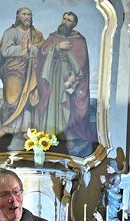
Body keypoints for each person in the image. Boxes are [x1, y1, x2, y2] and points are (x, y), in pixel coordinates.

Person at [36, 11, 94, 156]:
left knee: (66, 104)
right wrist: (57, 46)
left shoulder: (79, 40)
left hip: (67, 76)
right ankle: (50, 134)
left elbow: (82, 61)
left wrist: (73, 77)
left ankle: (67, 137)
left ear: (74, 24)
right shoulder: (53, 37)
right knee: (52, 103)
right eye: (64, 18)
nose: (65, 21)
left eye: (69, 20)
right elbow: (43, 51)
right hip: (53, 74)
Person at [0, 7, 44, 140]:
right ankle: (6, 126)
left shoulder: (36, 34)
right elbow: (5, 51)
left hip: (31, 69)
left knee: (27, 99)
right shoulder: (10, 32)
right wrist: (22, 48)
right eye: (24, 14)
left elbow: (42, 51)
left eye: (29, 14)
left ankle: (24, 130)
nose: (27, 17)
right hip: (13, 69)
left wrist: (30, 48)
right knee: (11, 99)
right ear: (17, 17)